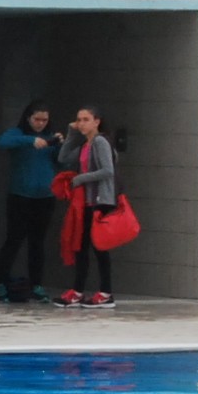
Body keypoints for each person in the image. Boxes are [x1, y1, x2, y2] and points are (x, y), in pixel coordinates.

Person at [0, 102, 59, 303]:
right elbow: (2, 142)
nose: (40, 123)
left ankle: (36, 285)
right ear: (28, 118)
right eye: (36, 119)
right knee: (14, 239)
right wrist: (31, 140)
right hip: (20, 196)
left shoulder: (51, 138)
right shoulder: (18, 134)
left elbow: (63, 160)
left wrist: (60, 143)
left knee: (37, 243)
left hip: (45, 197)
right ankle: (0, 282)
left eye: (44, 120)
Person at [61, 104, 119, 307]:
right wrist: (71, 133)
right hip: (85, 202)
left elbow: (107, 171)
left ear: (97, 121)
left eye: (86, 120)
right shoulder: (85, 145)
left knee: (99, 247)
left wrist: (81, 179)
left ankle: (106, 292)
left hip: (100, 201)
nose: (81, 124)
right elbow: (63, 157)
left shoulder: (101, 142)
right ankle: (77, 290)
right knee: (81, 246)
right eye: (79, 120)